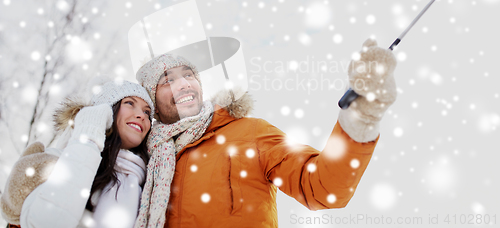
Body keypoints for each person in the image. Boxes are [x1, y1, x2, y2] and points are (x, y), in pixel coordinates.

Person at [133, 38, 397, 228]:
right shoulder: (143, 160)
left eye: (188, 75)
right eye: (167, 80)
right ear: (152, 102)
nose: (182, 84)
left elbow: (321, 187)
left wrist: (359, 119)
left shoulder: (250, 133)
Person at [1, 79, 155, 228]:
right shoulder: (54, 160)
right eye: (129, 103)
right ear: (106, 110)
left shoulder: (149, 181)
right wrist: (89, 136)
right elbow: (46, 222)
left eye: (147, 112)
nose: (142, 115)